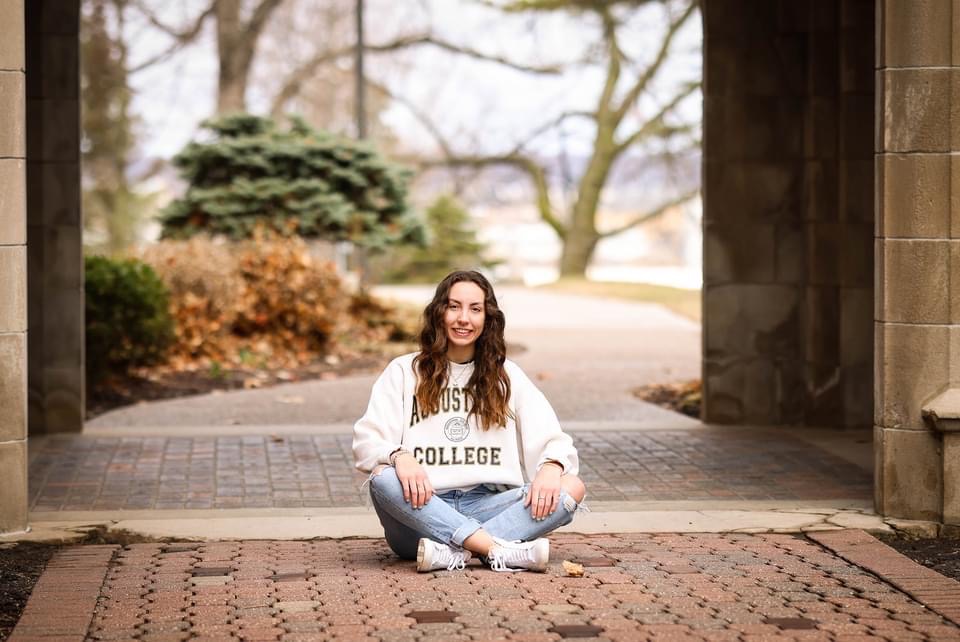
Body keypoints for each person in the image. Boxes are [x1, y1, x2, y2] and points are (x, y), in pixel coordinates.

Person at [353, 270, 586, 573]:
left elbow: (555, 441)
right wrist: (399, 455)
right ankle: (494, 549)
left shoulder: (507, 376)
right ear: (439, 313)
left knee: (571, 486)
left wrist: (551, 467)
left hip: (486, 505)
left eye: (475, 309)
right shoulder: (403, 371)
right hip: (420, 509)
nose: (464, 318)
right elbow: (367, 442)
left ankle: (453, 553)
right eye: (454, 306)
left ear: (487, 319)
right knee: (384, 477)